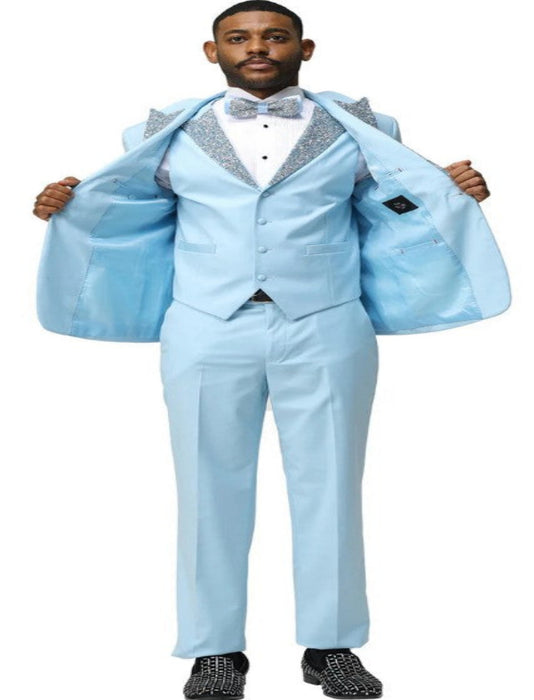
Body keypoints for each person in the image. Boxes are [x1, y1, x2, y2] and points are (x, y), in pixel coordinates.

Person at [32, 2, 509, 698]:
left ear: (302, 48)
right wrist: (65, 206)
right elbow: (125, 212)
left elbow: (395, 206)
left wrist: (450, 192)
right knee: (206, 489)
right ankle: (214, 653)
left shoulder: (363, 128)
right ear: (213, 51)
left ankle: (331, 647)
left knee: (331, 484)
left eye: (274, 36)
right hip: (205, 325)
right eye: (239, 38)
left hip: (326, 323)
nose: (257, 47)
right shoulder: (159, 134)